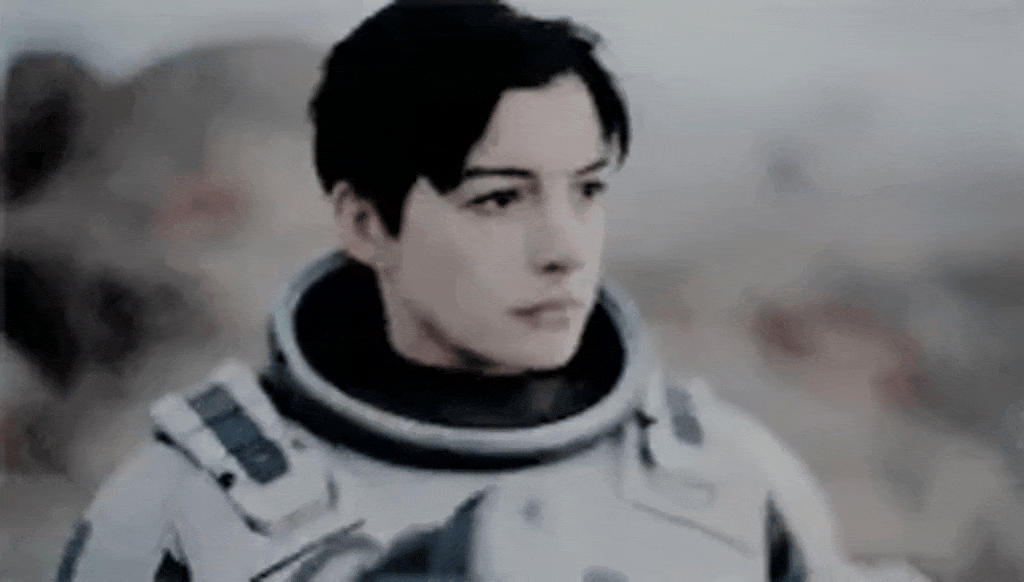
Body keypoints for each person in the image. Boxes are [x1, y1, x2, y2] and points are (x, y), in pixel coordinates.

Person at [54, 1, 863, 580]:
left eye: (586, 190)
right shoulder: (180, 510)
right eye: (499, 199)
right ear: (366, 224)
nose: (564, 251)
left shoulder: (731, 480)